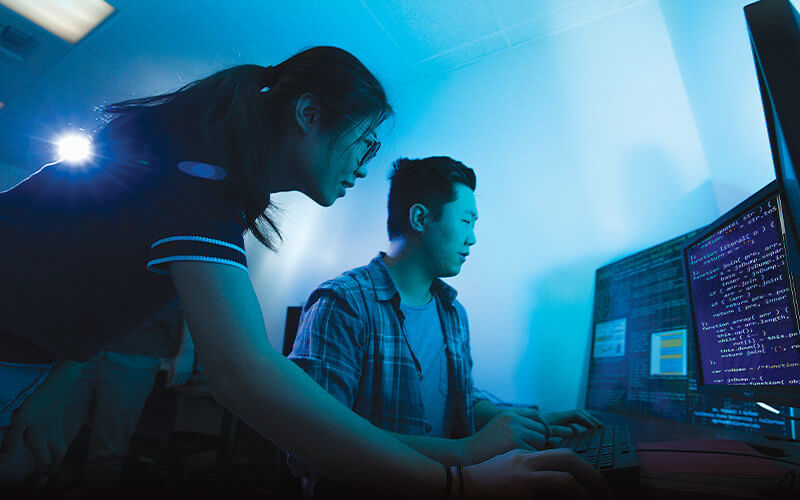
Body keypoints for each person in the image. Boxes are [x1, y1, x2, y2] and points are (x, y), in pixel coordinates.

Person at [0, 46, 610, 498]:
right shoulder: (193, 183)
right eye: (365, 144)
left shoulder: (204, 187)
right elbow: (243, 373)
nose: (366, 167)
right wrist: (458, 479)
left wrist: (55, 382)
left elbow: (91, 282)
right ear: (310, 114)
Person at [289, 157, 602, 494]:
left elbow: (461, 398)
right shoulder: (342, 303)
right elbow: (313, 447)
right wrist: (464, 452)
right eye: (467, 221)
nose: (472, 239)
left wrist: (528, 422)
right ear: (420, 218)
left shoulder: (453, 313)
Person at [57, 301, 183, 488]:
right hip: (85, 347)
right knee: (52, 438)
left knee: (108, 451)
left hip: (138, 350)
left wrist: (181, 354)